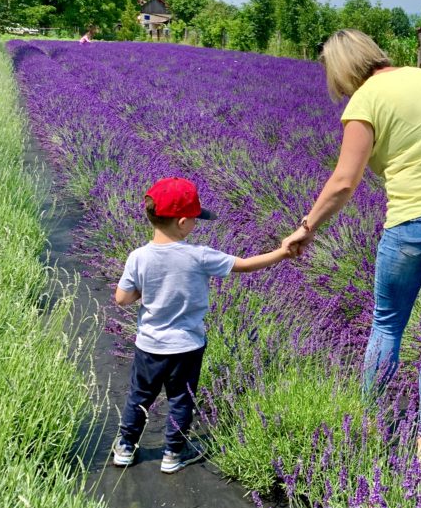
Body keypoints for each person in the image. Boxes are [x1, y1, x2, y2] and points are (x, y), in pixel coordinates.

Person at [283, 29, 421, 469]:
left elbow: (343, 182)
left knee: (388, 326)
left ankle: (371, 423)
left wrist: (307, 227)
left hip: (414, 225)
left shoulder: (366, 100)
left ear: (341, 67)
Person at [112, 177, 292, 473]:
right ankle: (172, 453)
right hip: (187, 346)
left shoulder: (138, 257)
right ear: (182, 222)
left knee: (140, 396)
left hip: (149, 345)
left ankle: (126, 448)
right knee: (181, 399)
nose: (196, 224)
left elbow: (122, 298)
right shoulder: (200, 256)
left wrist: (147, 290)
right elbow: (245, 265)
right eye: (195, 219)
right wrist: (283, 252)